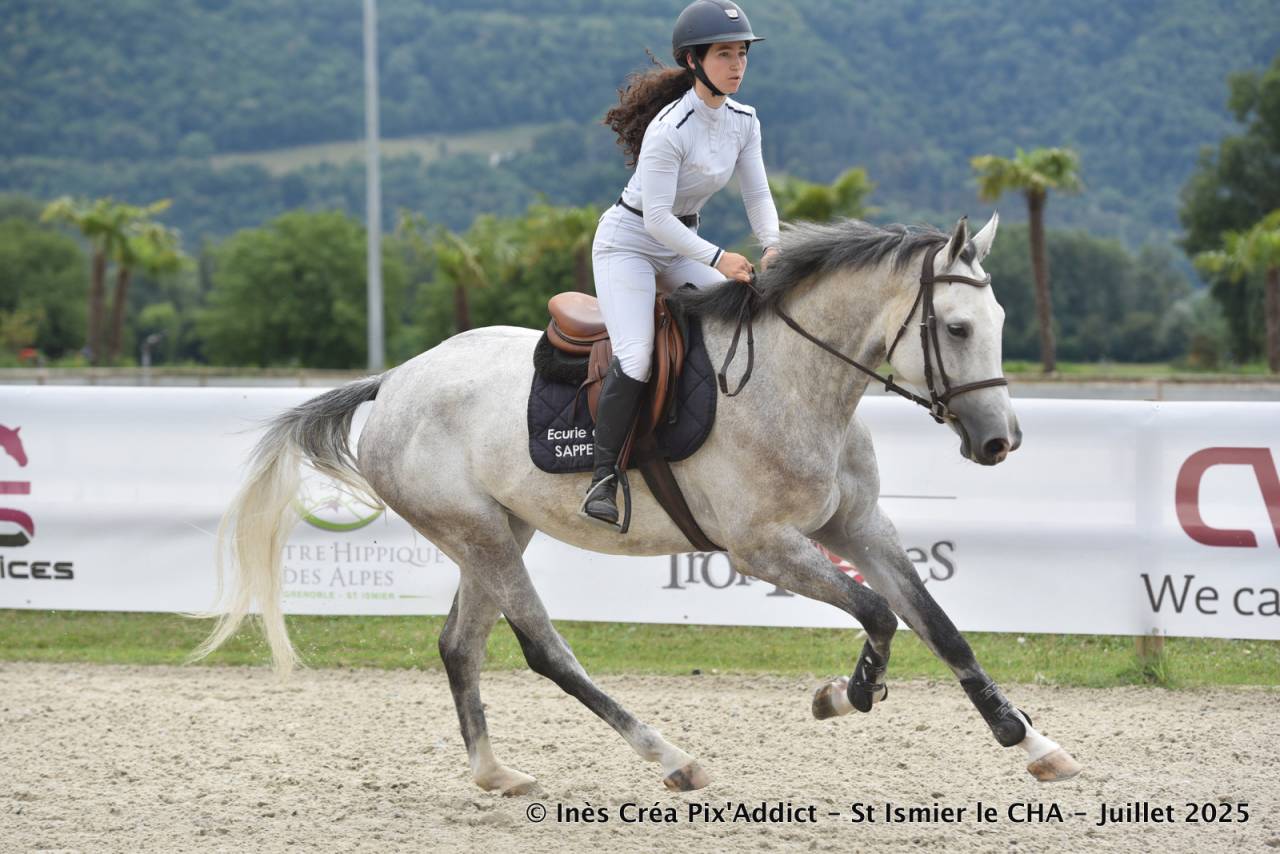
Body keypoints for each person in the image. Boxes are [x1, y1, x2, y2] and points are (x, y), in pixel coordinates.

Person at [583, 0, 781, 528]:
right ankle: (604, 476)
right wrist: (721, 257)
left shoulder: (744, 121)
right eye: (724, 54)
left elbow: (757, 193)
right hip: (629, 242)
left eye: (742, 54)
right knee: (638, 356)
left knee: (743, 310)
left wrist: (773, 244)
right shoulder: (670, 128)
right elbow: (655, 221)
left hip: (682, 243)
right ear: (693, 61)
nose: (737, 65)